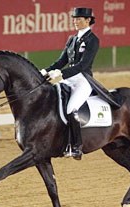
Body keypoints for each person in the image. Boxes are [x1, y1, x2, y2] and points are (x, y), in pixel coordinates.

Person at [40, 7, 99, 160]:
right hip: (69, 78)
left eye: (78, 19)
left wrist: (61, 74)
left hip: (83, 80)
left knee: (71, 108)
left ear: (88, 21)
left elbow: (83, 65)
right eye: (74, 19)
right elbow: (61, 61)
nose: (75, 21)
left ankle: (77, 146)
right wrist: (44, 71)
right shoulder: (72, 39)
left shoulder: (93, 40)